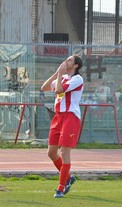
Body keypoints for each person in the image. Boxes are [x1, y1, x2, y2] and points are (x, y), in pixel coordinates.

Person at [41, 54, 83, 198]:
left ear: (76, 65)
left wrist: (59, 74)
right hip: (58, 117)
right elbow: (44, 87)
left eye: (70, 60)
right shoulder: (63, 77)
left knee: (65, 152)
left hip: (70, 117)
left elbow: (59, 90)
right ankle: (68, 178)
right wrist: (57, 73)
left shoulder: (77, 79)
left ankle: (60, 188)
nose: (67, 61)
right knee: (51, 152)